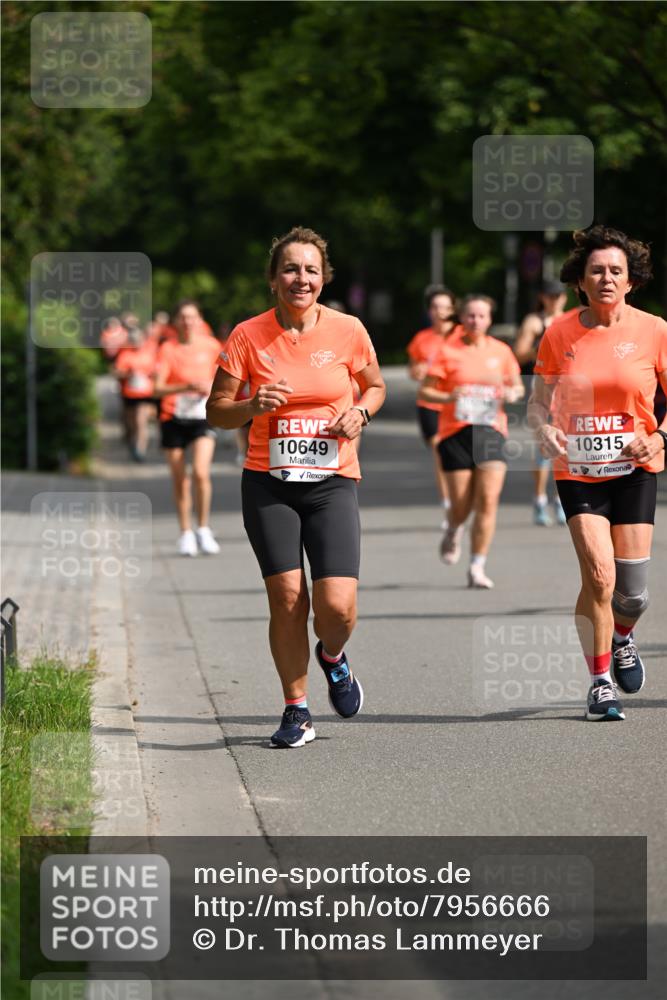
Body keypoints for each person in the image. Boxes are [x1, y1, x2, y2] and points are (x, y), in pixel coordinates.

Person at [206, 226, 386, 748]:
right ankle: (296, 709)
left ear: (323, 278)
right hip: (269, 483)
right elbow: (216, 410)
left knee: (337, 608)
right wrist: (250, 406)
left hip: (332, 482)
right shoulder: (248, 335)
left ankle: (332, 655)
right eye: (290, 269)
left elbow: (376, 386)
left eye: (310, 270)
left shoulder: (348, 330)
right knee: (287, 598)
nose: (300, 278)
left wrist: (360, 412)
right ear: (273, 279)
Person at [528, 225, 667, 722]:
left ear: (631, 280)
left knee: (633, 594)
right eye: (597, 271)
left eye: (615, 271)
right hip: (578, 471)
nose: (606, 278)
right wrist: (543, 428)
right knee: (599, 577)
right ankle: (600, 682)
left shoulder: (654, 330)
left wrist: (659, 437)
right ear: (580, 280)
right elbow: (537, 404)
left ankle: (622, 636)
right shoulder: (559, 333)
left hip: (635, 468)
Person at [419, 295, 524, 589]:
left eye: (481, 316)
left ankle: (477, 566)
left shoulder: (501, 351)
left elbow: (516, 386)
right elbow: (426, 392)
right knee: (462, 505)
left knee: (488, 500)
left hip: (491, 431)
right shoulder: (447, 351)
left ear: (489, 319)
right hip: (455, 432)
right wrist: (450, 396)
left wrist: (512, 393)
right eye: (470, 316)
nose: (475, 321)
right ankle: (454, 527)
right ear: (462, 318)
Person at [154, 300, 222, 556]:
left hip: (202, 417)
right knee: (181, 480)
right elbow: (156, 388)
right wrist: (186, 387)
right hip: (173, 417)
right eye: (182, 317)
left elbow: (225, 379)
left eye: (192, 317)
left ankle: (203, 528)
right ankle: (185, 533)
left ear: (200, 319)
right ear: (175, 322)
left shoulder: (211, 346)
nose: (187, 322)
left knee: (201, 473)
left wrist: (210, 387)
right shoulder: (167, 349)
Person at [514, 280, 569, 526]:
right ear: (542, 297)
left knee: (565, 446)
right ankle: (539, 499)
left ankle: (560, 499)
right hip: (542, 385)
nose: (554, 300)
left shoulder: (572, 319)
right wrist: (540, 346)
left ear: (564, 298)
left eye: (558, 296)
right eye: (550, 296)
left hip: (567, 387)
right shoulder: (534, 322)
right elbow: (518, 354)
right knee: (545, 447)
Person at [406, 285, 460, 526]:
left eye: (446, 307)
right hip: (430, 404)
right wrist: (416, 372)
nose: (441, 312)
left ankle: (460, 502)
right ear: (429, 311)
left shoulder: (462, 336)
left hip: (457, 405)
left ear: (453, 309)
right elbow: (413, 369)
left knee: (457, 455)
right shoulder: (421, 339)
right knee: (440, 451)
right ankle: (448, 504)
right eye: (436, 307)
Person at [113, 326, 158, 462]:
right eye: (133, 339)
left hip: (145, 394)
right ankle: (133, 441)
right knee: (131, 423)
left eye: (138, 339)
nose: (136, 342)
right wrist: (129, 374)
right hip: (129, 394)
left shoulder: (150, 354)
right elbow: (117, 373)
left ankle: (140, 450)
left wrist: (150, 374)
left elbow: (157, 372)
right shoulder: (125, 355)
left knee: (140, 421)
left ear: (143, 339)